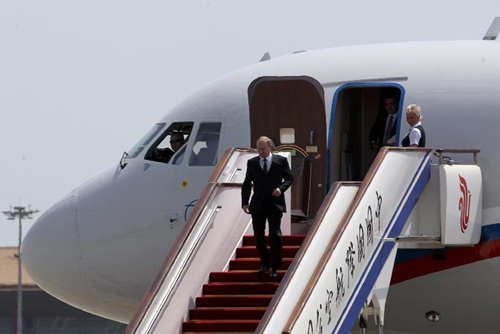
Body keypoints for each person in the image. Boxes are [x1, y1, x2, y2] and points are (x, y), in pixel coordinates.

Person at [241, 136, 294, 278]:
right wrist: (245, 202)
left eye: (263, 149)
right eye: (258, 149)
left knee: (274, 234)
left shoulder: (280, 161)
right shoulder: (252, 163)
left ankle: (274, 265)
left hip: (274, 203)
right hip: (258, 203)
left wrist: (280, 189)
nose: (260, 152)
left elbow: (290, 178)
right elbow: (246, 183)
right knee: (258, 236)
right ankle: (264, 262)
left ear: (270, 147)